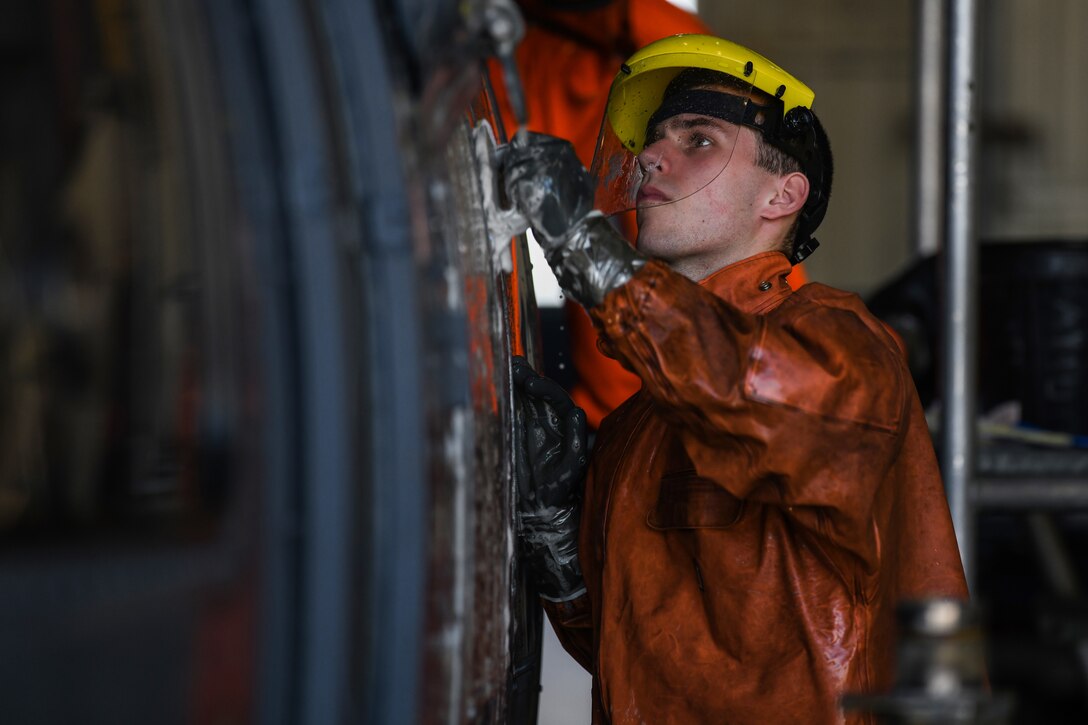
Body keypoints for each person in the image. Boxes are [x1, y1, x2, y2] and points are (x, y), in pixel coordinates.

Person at [507, 34, 969, 724]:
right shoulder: (646, 419)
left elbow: (751, 394)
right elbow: (640, 659)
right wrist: (558, 544)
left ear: (783, 196)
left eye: (698, 140)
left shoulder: (841, 345)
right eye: (653, 142)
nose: (650, 158)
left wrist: (591, 258)